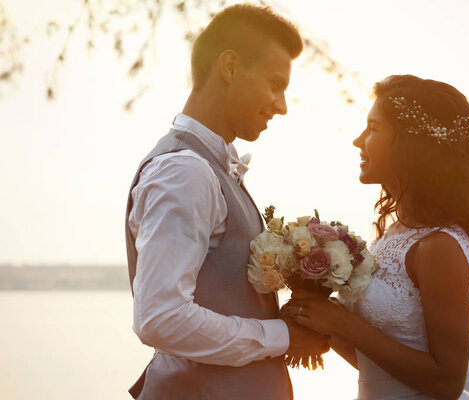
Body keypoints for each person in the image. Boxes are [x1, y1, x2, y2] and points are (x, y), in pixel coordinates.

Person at [124, 4, 328, 399]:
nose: (282, 105)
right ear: (230, 67)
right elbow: (161, 318)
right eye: (275, 84)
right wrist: (280, 336)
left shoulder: (207, 166)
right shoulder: (185, 171)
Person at [287, 75, 469, 399]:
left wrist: (343, 324)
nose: (358, 140)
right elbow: (378, 365)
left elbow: (447, 383)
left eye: (373, 128)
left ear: (410, 144)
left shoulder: (439, 246)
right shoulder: (392, 236)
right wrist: (320, 321)